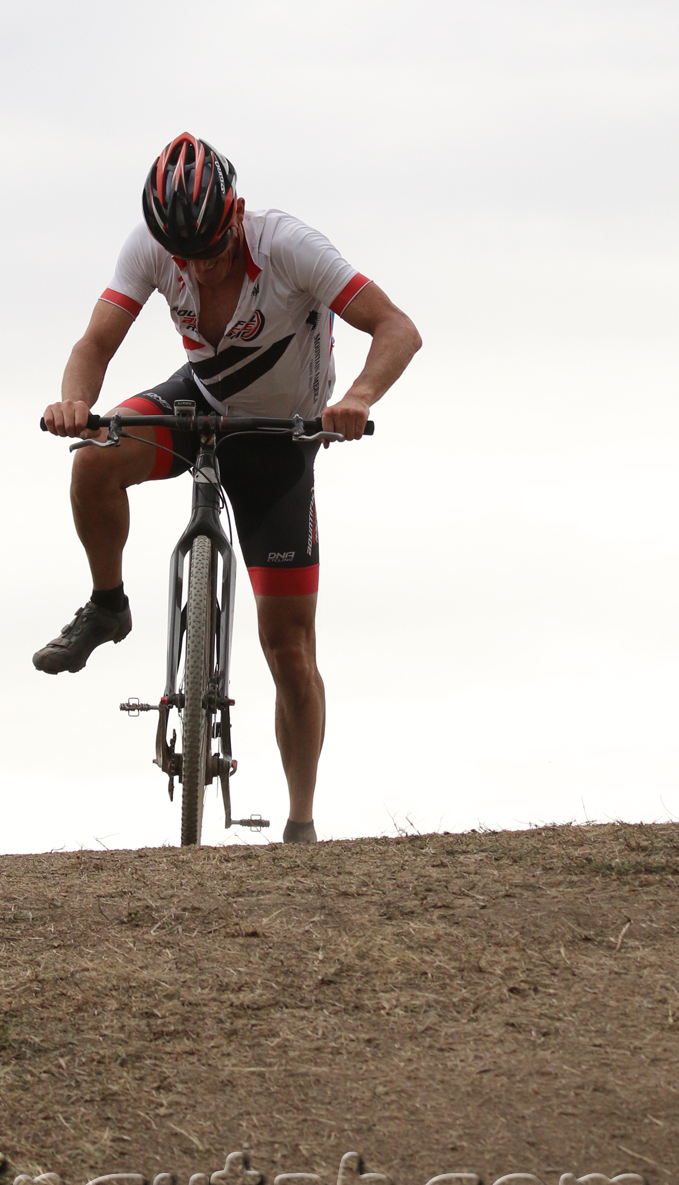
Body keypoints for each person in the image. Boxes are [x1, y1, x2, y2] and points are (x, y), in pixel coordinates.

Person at [35, 133, 421, 843]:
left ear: (235, 214)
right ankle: (107, 605)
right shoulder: (154, 248)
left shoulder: (290, 248)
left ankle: (300, 820)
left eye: (210, 250)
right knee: (92, 461)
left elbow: (398, 328)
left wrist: (359, 398)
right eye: (182, 257)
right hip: (203, 404)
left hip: (283, 436)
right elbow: (95, 344)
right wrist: (73, 403)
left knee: (290, 652)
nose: (196, 268)